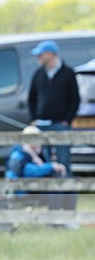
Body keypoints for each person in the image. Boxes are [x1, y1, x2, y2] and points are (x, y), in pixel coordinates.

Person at [27, 40, 79, 175]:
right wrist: (34, 119)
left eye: (41, 54)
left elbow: (75, 99)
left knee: (63, 161)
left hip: (60, 124)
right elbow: (31, 98)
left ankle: (67, 194)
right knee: (44, 162)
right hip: (41, 124)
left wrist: (67, 120)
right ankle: (49, 195)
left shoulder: (68, 73)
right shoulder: (38, 73)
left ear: (50, 54)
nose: (38, 57)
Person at [5, 125, 66, 210]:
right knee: (54, 187)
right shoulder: (18, 154)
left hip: (38, 186)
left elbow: (42, 167)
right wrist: (51, 166)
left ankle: (70, 217)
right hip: (24, 191)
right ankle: (54, 219)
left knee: (67, 185)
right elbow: (29, 171)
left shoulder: (40, 151)